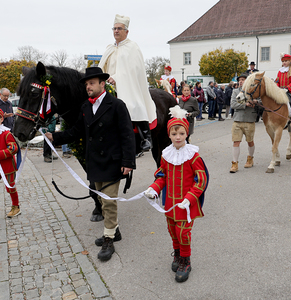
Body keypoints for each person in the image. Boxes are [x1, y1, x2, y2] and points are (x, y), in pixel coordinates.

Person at [45, 67, 136, 262]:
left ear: (102, 84)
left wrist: (128, 161)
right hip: (94, 162)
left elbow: (127, 134)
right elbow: (77, 130)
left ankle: (109, 238)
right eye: (86, 84)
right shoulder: (86, 107)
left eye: (92, 83)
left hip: (112, 161)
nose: (88, 87)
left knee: (109, 202)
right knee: (102, 200)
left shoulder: (117, 105)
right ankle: (114, 231)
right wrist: (56, 136)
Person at [144, 106, 209, 283]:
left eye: (181, 133)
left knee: (184, 233)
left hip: (186, 205)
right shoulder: (166, 155)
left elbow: (201, 181)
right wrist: (154, 189)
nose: (178, 137)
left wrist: (189, 199)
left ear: (186, 134)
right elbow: (162, 177)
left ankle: (186, 261)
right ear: (169, 135)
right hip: (171, 205)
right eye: (174, 134)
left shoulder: (193, 156)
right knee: (173, 231)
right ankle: (178, 255)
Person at [99, 14, 156, 151]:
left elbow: (134, 69)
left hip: (128, 86)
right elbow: (102, 67)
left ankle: (146, 138)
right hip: (108, 86)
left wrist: (117, 77)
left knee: (134, 105)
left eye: (119, 28)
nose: (116, 31)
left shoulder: (132, 47)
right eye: (114, 28)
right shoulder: (109, 48)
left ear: (126, 31)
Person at [230, 73, 260, 173]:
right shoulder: (235, 91)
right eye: (240, 80)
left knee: (250, 141)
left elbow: (260, 101)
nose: (241, 81)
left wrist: (255, 101)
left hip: (250, 119)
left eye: (243, 79)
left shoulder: (254, 91)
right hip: (237, 120)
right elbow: (233, 104)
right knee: (236, 141)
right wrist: (246, 104)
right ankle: (234, 163)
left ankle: (250, 158)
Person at [0, 109, 20, 217]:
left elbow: (13, 148)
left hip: (7, 166)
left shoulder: (6, 133)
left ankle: (16, 207)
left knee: (10, 187)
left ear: (2, 119)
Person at [275, 53, 291, 120]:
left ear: (289, 61)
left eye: (286, 61)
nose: (284, 62)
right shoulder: (280, 71)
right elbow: (277, 81)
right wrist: (277, 88)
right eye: (283, 61)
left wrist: (287, 88)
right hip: (281, 90)